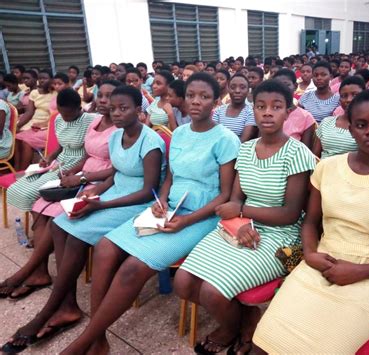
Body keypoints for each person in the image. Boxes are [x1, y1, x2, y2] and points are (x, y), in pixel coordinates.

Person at [60, 72, 240, 355]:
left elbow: (225, 195)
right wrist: (162, 199)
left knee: (133, 267)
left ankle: (84, 341)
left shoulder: (226, 139)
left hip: (202, 215)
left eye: (204, 97)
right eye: (191, 95)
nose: (195, 102)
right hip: (169, 209)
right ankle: (98, 338)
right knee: (106, 246)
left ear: (216, 102)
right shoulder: (179, 133)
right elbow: (169, 177)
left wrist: (185, 221)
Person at [253, 89, 369, 354]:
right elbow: (311, 222)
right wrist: (311, 254)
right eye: (361, 124)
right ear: (350, 129)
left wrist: (359, 271)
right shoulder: (327, 167)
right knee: (264, 343)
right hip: (322, 261)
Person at [1, 86, 166, 353]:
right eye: (114, 108)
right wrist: (92, 194)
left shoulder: (150, 142)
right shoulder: (117, 137)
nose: (117, 113)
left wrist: (103, 203)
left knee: (76, 235)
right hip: (113, 192)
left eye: (124, 108)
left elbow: (148, 190)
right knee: (60, 223)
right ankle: (65, 305)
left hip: (135, 201)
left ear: (139, 110)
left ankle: (50, 310)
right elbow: (115, 173)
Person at [175, 79, 316, 355]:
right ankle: (247, 317)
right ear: (253, 111)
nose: (267, 113)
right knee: (183, 283)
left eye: (276, 107)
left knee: (212, 292)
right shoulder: (247, 149)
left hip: (279, 235)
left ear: (289, 112)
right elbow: (236, 197)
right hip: (239, 226)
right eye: (261, 106)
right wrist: (239, 220)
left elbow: (290, 214)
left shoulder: (298, 154)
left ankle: (231, 329)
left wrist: (241, 212)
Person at [0, 81, 121, 300]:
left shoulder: (121, 128)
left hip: (98, 182)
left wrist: (80, 177)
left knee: (55, 214)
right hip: (80, 174)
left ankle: (28, 271)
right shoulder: (98, 123)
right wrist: (69, 173)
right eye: (100, 95)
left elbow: (117, 168)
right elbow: (87, 154)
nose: (103, 100)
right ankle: (39, 272)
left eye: (109, 96)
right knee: (40, 204)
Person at [7, 88, 94, 212]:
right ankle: (36, 220)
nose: (65, 118)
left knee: (30, 193)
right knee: (15, 188)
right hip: (58, 162)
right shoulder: (58, 119)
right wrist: (49, 158)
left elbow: (89, 154)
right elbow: (60, 146)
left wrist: (70, 171)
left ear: (79, 109)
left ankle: (38, 221)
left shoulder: (90, 121)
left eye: (69, 115)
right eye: (61, 113)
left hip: (75, 165)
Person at [313, 76, 365, 159]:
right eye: (344, 96)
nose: (348, 100)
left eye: (355, 95)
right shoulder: (327, 122)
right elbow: (315, 156)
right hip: (324, 169)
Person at [14, 69, 55, 170]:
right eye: (40, 78)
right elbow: (29, 112)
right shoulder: (34, 93)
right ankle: (16, 169)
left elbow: (55, 115)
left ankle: (23, 171)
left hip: (47, 125)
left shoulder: (55, 93)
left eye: (45, 78)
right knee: (17, 138)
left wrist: (43, 124)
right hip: (34, 123)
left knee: (26, 142)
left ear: (51, 80)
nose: (42, 81)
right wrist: (18, 125)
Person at [273, 69, 315, 148]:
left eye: (286, 85)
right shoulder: (267, 113)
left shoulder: (306, 117)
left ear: (295, 86)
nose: (282, 89)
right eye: (278, 86)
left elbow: (305, 150)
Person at [213, 73, 257, 142]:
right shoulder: (219, 110)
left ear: (248, 90)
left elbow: (244, 140)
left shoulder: (250, 112)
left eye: (242, 88)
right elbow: (213, 134)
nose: (237, 91)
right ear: (228, 89)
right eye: (233, 87)